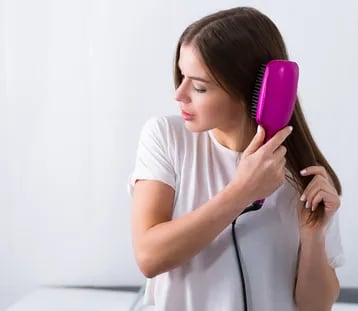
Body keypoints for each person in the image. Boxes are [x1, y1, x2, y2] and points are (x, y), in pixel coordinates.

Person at [127, 6, 344, 311]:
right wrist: (242, 191)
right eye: (181, 76)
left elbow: (315, 307)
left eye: (199, 86)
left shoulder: (305, 178)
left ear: (253, 92)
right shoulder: (167, 138)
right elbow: (149, 257)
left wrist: (313, 234)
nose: (180, 93)